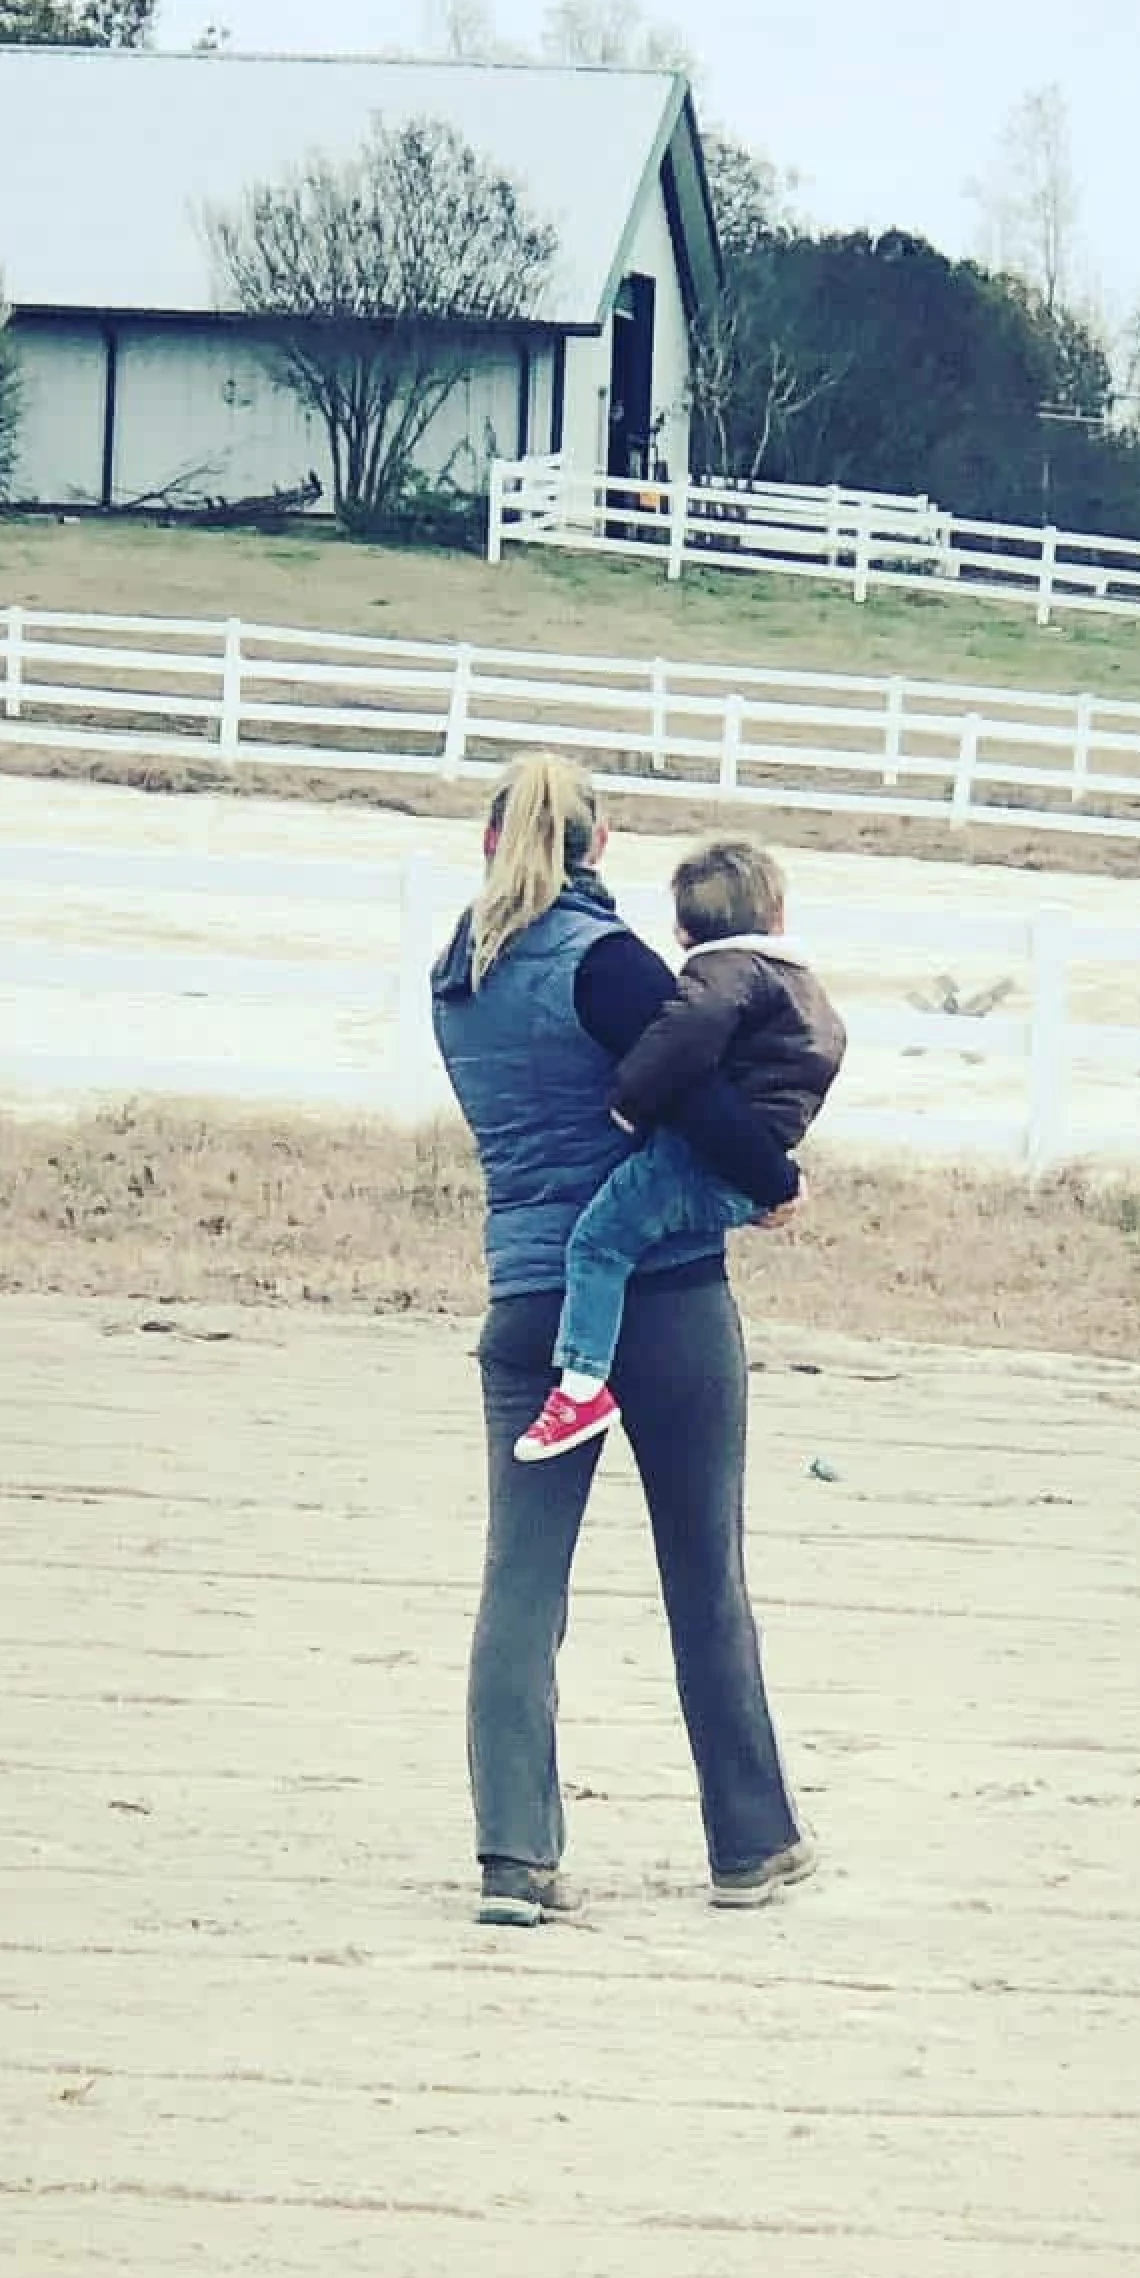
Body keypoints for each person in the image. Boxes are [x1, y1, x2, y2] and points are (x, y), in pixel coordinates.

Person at [429, 752, 813, 1930]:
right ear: (598, 850)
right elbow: (693, 1089)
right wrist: (773, 1178)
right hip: (665, 1298)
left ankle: (513, 1855)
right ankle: (747, 1846)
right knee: (704, 1577)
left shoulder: (457, 975)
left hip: (526, 1301)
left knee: (519, 1585)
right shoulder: (613, 962)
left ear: (491, 847)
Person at [514, 837, 846, 1465]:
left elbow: (681, 1039)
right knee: (651, 1229)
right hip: (750, 1167)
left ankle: (581, 1388)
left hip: (698, 1161)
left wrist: (629, 1098)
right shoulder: (801, 987)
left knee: (599, 1244)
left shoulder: (722, 973)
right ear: (776, 916)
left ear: (682, 927)